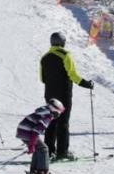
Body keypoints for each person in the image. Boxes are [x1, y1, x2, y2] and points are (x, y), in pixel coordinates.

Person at [38, 32, 93, 161]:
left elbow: (42, 78)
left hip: (50, 94)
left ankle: (49, 150)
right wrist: (86, 84)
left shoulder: (44, 57)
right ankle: (62, 152)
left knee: (51, 122)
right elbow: (73, 75)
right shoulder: (66, 55)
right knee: (63, 123)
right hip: (63, 94)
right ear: (63, 42)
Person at [16, 98, 66, 174]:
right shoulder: (47, 117)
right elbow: (35, 132)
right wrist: (32, 145)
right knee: (44, 148)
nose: (58, 116)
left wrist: (33, 145)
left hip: (24, 130)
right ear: (54, 111)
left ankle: (34, 170)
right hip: (27, 132)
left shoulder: (44, 111)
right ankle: (42, 172)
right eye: (58, 113)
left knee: (38, 148)